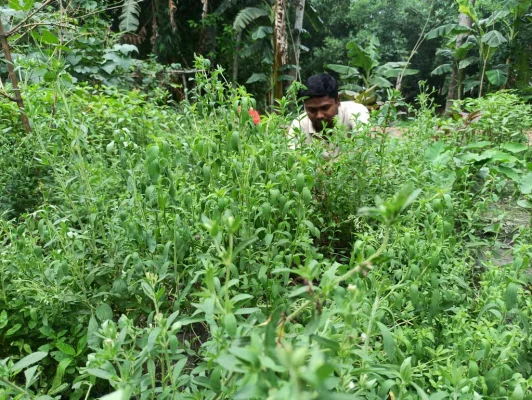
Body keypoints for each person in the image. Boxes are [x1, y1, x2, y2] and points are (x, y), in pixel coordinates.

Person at [288, 73, 370, 157]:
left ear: (338, 100)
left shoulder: (356, 111)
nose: (319, 115)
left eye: (325, 108)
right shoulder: (298, 125)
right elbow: (293, 160)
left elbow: (364, 145)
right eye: (312, 110)